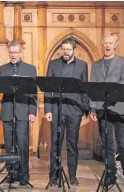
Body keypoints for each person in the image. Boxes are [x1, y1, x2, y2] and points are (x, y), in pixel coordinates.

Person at [89, 33, 124, 186]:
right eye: (105, 42)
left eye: (111, 43)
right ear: (103, 44)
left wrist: (109, 93)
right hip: (102, 109)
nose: (108, 45)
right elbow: (93, 88)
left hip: (119, 108)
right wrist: (93, 108)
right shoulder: (96, 65)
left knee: (123, 143)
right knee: (107, 144)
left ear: (116, 45)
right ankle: (110, 175)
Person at [44, 37, 89, 186]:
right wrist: (48, 109)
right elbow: (47, 88)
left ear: (74, 50)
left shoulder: (82, 65)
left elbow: (84, 89)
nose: (65, 52)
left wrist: (85, 109)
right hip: (57, 109)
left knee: (72, 144)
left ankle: (73, 176)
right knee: (55, 143)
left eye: (68, 49)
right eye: (63, 49)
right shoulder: (53, 64)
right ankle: (54, 176)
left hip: (74, 110)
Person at [0, 40, 37, 186]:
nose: (13, 55)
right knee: (9, 144)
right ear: (8, 52)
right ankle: (11, 173)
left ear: (21, 52)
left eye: (16, 52)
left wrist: (32, 112)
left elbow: (33, 93)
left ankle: (24, 174)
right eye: (11, 52)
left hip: (23, 110)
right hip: (8, 110)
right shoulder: (2, 69)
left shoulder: (30, 69)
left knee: (22, 143)